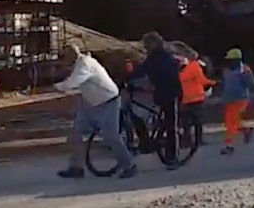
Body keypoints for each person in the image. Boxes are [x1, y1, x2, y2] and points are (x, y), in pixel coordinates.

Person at [53, 41, 136, 179]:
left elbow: (74, 82)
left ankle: (129, 165)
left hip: (108, 101)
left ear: (71, 56)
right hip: (91, 101)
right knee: (76, 132)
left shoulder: (85, 63)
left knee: (111, 135)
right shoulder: (77, 65)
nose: (62, 61)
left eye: (63, 57)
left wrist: (57, 87)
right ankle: (76, 167)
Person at [127, 32, 183, 167]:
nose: (145, 47)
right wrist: (128, 79)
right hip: (160, 91)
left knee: (171, 125)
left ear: (154, 43)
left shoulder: (165, 55)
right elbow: (142, 70)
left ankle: (173, 156)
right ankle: (147, 142)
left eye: (147, 44)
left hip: (171, 92)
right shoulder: (153, 56)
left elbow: (167, 73)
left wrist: (138, 79)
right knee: (139, 113)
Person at [219, 47, 254, 154]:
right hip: (230, 100)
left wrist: (245, 77)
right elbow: (225, 85)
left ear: (237, 60)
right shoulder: (226, 71)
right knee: (232, 122)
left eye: (231, 60)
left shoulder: (244, 70)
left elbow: (252, 83)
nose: (230, 62)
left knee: (231, 123)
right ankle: (246, 130)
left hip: (240, 99)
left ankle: (229, 145)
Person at [178, 51, 216, 145]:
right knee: (197, 122)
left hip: (185, 99)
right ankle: (199, 140)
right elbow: (202, 80)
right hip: (197, 98)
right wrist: (213, 82)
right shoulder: (195, 67)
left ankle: (187, 140)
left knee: (186, 122)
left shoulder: (182, 70)